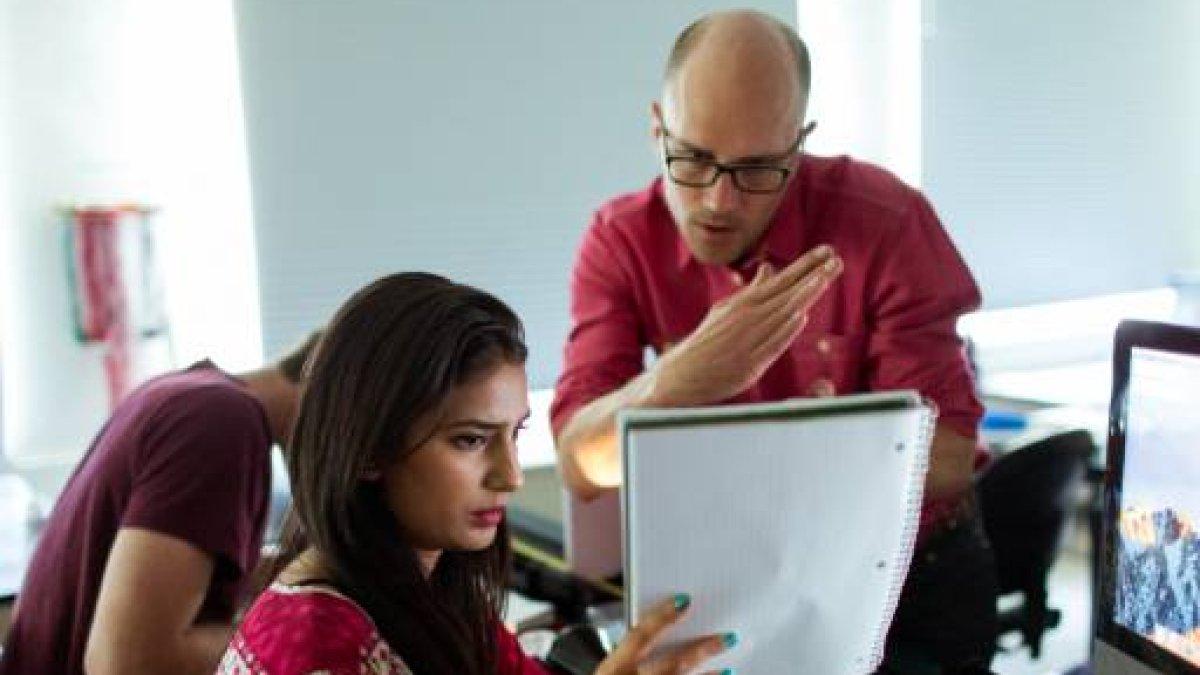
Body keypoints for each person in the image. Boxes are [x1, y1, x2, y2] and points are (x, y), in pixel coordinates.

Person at [551, 9, 997, 672]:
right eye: (694, 159)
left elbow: (951, 457)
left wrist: (743, 451)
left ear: (798, 145)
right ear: (656, 128)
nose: (719, 202)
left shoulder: (888, 221)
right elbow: (580, 463)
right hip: (734, 578)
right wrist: (673, 382)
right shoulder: (619, 240)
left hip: (909, 576)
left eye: (757, 168)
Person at [218, 272, 735, 674]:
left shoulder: (429, 590)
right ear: (370, 448)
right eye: (470, 440)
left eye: (514, 434)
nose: (509, 477)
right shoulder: (318, 642)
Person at [0, 335, 318, 675]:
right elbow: (127, 663)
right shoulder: (220, 421)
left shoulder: (181, 393)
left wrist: (274, 577)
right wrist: (290, 632)